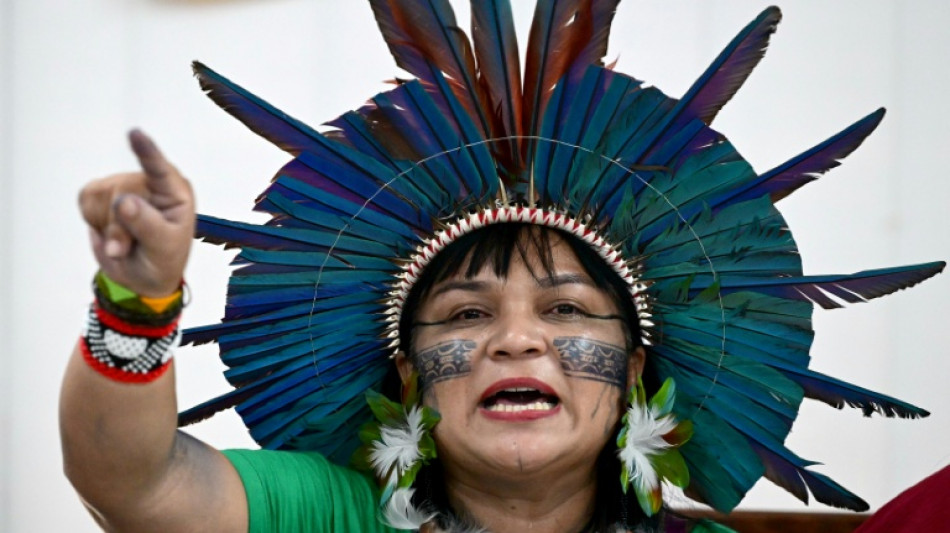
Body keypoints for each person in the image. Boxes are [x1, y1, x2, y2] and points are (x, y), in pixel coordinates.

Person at [61, 2, 944, 532]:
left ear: (638, 367)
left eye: (566, 310)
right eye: (464, 315)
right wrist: (137, 301)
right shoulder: (324, 510)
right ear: (406, 370)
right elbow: (136, 482)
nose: (516, 339)